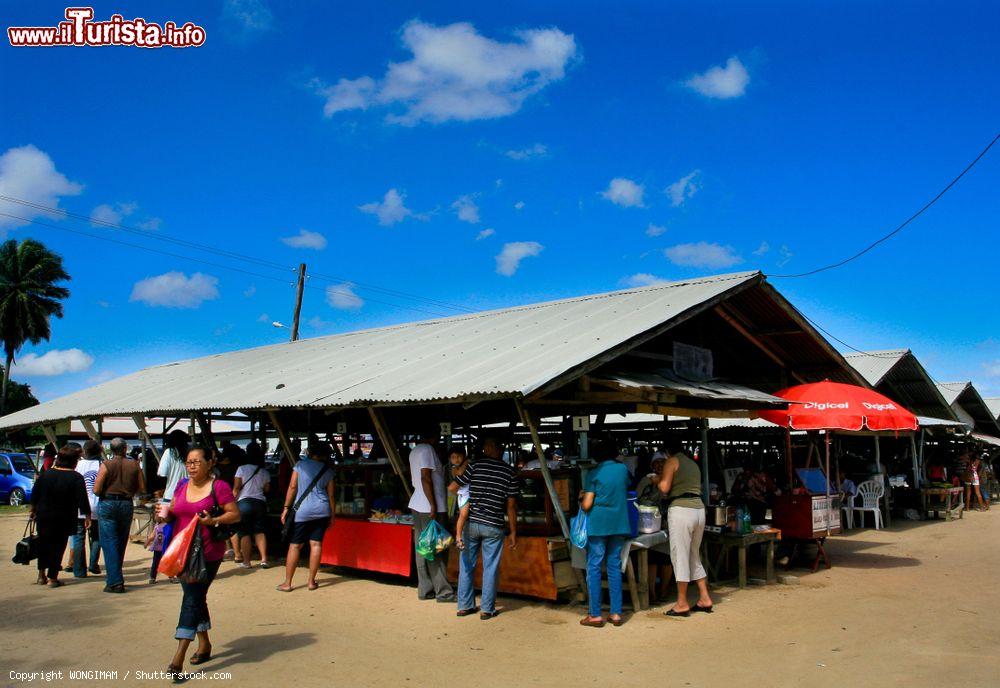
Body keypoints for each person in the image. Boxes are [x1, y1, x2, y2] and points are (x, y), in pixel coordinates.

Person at [163, 445, 239, 676]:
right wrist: (163, 514)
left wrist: (212, 521)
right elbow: (175, 511)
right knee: (195, 597)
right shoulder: (181, 486)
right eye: (189, 462)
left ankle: (178, 657)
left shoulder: (220, 487)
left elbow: (234, 514)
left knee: (191, 598)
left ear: (209, 463)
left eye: (197, 461)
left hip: (208, 552)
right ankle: (204, 644)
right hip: (183, 551)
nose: (192, 466)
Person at [450, 436, 519, 620]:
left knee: (466, 565)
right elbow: (511, 506)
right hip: (494, 525)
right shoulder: (509, 472)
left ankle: (464, 606)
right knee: (491, 567)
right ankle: (487, 610)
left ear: (487, 449)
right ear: (497, 449)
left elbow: (454, 485)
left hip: (471, 523)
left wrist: (463, 499)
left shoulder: (475, 466)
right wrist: (513, 532)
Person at [579, 439, 631, 628]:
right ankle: (616, 613)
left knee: (593, 566)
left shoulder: (593, 473)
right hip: (619, 523)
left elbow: (587, 505)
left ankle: (595, 615)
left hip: (599, 523)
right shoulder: (623, 470)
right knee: (614, 566)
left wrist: (581, 498)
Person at [657, 442, 713, 616]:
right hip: (698, 510)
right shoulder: (692, 463)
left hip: (681, 510)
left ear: (667, 451)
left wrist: (656, 480)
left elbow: (664, 488)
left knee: (679, 555)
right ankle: (704, 598)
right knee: (693, 555)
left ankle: (681, 602)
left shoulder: (672, 461)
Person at [29, 444, 91, 587]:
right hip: (65, 517)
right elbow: (82, 499)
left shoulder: (46, 474)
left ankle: (41, 575)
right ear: (73, 461)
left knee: (43, 543)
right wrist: (87, 516)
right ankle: (53, 577)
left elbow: (35, 494)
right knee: (58, 546)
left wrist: (32, 510)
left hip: (44, 516)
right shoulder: (76, 477)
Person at [277, 442, 335, 592]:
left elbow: (292, 487)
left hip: (303, 510)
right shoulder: (328, 470)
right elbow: (331, 495)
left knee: (295, 545)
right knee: (316, 544)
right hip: (322, 509)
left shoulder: (300, 465)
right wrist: (332, 516)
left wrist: (285, 508)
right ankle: (311, 582)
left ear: (310, 452)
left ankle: (287, 583)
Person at [406, 427, 454, 603]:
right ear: (434, 436)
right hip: (430, 507)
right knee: (436, 549)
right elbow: (425, 477)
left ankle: (425, 589)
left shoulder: (414, 450)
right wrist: (433, 504)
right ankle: (443, 592)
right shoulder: (427, 449)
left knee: (423, 548)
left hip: (418, 504)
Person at [93, 437, 146, 593]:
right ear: (125, 449)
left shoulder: (106, 465)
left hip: (108, 503)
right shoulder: (135, 465)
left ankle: (115, 581)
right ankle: (115, 576)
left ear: (111, 450)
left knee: (109, 541)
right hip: (126, 503)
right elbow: (142, 488)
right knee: (121, 541)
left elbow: (96, 489)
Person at [634, 456, 672, 603]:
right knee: (652, 559)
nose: (660, 465)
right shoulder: (646, 480)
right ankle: (652, 593)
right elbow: (636, 496)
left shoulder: (670, 479)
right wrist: (650, 482)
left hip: (664, 523)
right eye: (657, 463)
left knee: (666, 558)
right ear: (652, 465)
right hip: (647, 523)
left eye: (663, 462)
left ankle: (663, 591)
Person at [233, 444, 270, 568]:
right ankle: (264, 559)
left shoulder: (241, 469)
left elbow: (236, 488)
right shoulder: (264, 471)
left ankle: (247, 562)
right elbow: (267, 489)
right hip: (260, 503)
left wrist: (232, 502)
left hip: (244, 502)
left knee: (245, 533)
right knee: (260, 531)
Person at [72, 439, 103, 577]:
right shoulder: (102, 465)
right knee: (96, 537)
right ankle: (93, 564)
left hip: (79, 506)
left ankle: (79, 570)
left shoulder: (78, 465)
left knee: (79, 538)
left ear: (85, 451)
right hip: (97, 506)